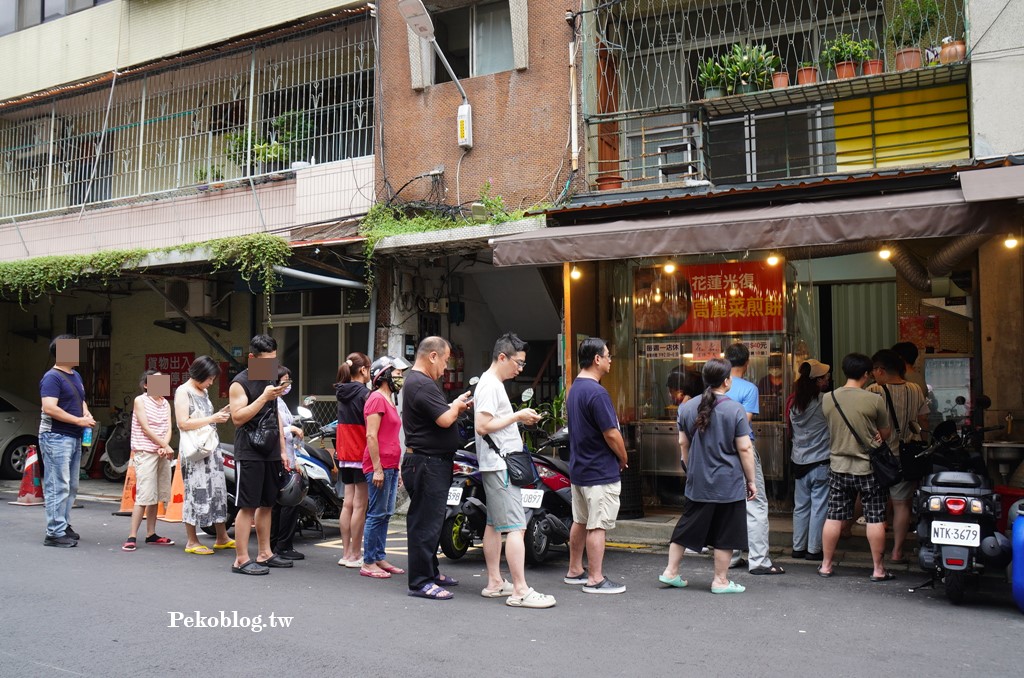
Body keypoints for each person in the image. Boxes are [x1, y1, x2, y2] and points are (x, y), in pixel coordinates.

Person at [659, 358, 757, 594]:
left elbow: (683, 443)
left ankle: (670, 572)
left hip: (698, 479)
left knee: (686, 526)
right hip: (728, 482)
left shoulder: (686, 408)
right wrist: (751, 480)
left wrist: (688, 466)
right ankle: (720, 581)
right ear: (726, 381)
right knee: (725, 532)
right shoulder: (734, 409)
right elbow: (745, 448)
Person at [474, 333, 556, 608]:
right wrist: (518, 416)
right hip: (501, 465)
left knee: (495, 525)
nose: (520, 369)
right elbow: (483, 425)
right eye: (518, 363)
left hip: (497, 464)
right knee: (516, 526)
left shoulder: (491, 384)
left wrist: (518, 421)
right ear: (501, 357)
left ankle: (496, 582)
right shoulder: (491, 386)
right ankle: (520, 590)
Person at [401, 336, 473, 600]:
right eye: (444, 360)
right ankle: (420, 582)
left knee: (431, 521)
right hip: (427, 463)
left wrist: (456, 406)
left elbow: (439, 416)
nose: (445, 367)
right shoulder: (421, 383)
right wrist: (455, 406)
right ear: (432, 356)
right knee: (424, 524)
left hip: (430, 462)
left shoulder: (419, 382)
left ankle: (431, 572)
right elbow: (444, 419)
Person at [819, 353, 893, 581]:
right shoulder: (874, 400)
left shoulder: (828, 398)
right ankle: (878, 569)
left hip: (838, 465)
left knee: (834, 516)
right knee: (875, 517)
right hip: (868, 467)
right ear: (866, 374)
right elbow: (885, 433)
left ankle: (826, 565)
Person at [564, 337, 628, 595]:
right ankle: (595, 578)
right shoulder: (597, 392)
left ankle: (574, 570)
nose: (611, 359)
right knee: (597, 524)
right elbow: (611, 433)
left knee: (580, 520)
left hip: (580, 468)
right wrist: (623, 457)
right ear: (596, 359)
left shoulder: (575, 388)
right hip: (599, 470)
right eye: (608, 355)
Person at [229, 334, 291, 575]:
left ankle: (265, 553)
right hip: (249, 451)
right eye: (266, 361)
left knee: (267, 504)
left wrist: (283, 450)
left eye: (274, 361)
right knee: (247, 506)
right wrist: (264, 396)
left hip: (271, 449)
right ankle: (241, 559)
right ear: (252, 358)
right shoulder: (240, 382)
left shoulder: (270, 377)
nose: (271, 367)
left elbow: (274, 413)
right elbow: (237, 417)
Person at [724, 343, 783, 575]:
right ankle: (759, 561)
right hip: (742, 449)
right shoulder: (749, 388)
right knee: (755, 503)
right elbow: (743, 423)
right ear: (747, 363)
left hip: (720, 451)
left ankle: (731, 556)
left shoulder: (715, 387)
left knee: (730, 504)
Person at [867, 349, 928, 565]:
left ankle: (877, 554)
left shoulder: (874, 390)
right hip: (907, 454)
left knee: (875, 503)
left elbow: (867, 422)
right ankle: (897, 552)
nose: (873, 374)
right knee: (902, 505)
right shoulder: (915, 389)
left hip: (880, 455)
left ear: (881, 370)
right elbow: (923, 421)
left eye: (874, 370)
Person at [39, 335, 97, 547]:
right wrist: (79, 420)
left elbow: (81, 401)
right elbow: (49, 407)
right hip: (56, 436)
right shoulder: (51, 377)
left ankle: (63, 525)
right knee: (58, 485)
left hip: (72, 435)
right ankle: (54, 532)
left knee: (71, 485)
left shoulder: (75, 376)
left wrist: (86, 415)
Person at [175, 356, 233, 555]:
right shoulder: (183, 392)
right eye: (209, 378)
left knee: (217, 491)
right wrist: (213, 417)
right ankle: (192, 541)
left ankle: (222, 536)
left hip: (210, 448)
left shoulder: (203, 391)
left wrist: (220, 414)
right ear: (199, 374)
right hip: (195, 451)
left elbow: (202, 419)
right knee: (195, 491)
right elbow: (183, 423)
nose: (211, 382)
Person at [359, 355, 411, 579]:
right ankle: (368, 561)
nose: (401, 377)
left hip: (390, 464)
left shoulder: (389, 399)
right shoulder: (377, 399)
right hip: (378, 465)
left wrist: (395, 468)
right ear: (384, 376)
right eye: (397, 373)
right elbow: (371, 435)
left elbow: (391, 437)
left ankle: (379, 556)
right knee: (376, 514)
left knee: (386, 513)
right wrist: (378, 468)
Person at [123, 370, 176, 551]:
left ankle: (151, 534)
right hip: (145, 452)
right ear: (146, 385)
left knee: (156, 496)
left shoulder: (165, 404)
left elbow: (169, 427)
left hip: (161, 452)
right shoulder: (141, 400)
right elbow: (145, 428)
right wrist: (164, 445)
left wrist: (164, 445)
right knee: (144, 495)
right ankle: (131, 536)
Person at [785, 359, 832, 561]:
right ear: (818, 381)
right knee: (819, 506)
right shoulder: (826, 401)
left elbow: (789, 431)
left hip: (799, 461)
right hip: (821, 461)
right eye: (826, 377)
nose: (828, 380)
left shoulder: (792, 401)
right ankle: (814, 550)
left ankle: (798, 547)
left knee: (801, 506)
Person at [335, 352, 372, 568]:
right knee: (360, 505)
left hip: (345, 453)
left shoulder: (342, 391)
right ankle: (356, 554)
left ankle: (346, 552)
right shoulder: (365, 394)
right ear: (363, 370)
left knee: (347, 502)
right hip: (361, 452)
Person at [270, 366, 305, 561]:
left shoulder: (280, 401)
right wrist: (290, 428)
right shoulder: (271, 401)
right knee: (288, 502)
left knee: (280, 504)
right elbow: (274, 430)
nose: (287, 384)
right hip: (279, 457)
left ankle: (278, 543)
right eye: (284, 380)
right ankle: (282, 545)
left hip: (288, 456)